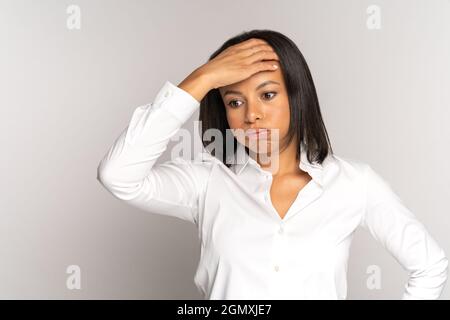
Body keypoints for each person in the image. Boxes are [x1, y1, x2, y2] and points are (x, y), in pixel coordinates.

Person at [97, 29, 448, 299]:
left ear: (297, 95)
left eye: (267, 94)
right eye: (235, 102)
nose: (252, 115)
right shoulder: (207, 180)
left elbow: (431, 265)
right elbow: (118, 176)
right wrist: (202, 79)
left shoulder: (354, 183)